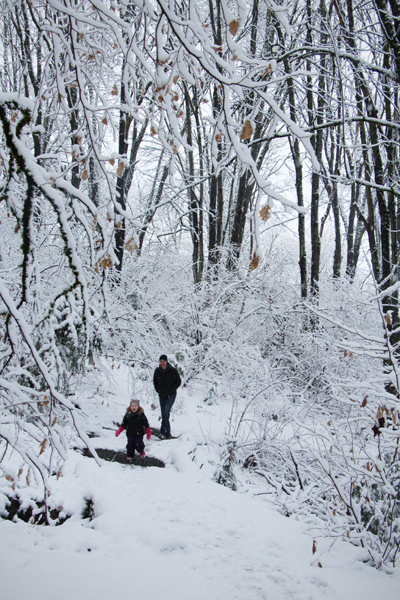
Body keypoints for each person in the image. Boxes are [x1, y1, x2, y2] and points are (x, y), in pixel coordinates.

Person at [153, 354, 181, 438]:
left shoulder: (172, 371)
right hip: (162, 395)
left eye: (163, 361)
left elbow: (178, 381)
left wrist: (172, 389)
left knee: (166, 411)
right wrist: (158, 389)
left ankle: (162, 431)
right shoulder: (157, 371)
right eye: (161, 361)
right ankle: (167, 433)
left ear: (167, 361)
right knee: (164, 414)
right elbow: (155, 382)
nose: (162, 363)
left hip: (171, 395)